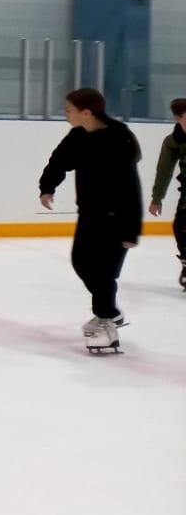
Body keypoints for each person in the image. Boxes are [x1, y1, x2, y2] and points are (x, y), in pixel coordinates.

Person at [37, 87, 142, 354]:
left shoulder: (118, 138)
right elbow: (59, 161)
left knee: (103, 272)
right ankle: (110, 311)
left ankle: (106, 322)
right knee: (81, 262)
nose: (66, 115)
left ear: (87, 112)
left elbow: (130, 186)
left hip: (116, 217)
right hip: (89, 214)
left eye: (69, 110)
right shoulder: (78, 136)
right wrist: (47, 186)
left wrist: (131, 229)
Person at [145, 97, 186, 292]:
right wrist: (157, 199)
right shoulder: (173, 141)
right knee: (181, 227)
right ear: (178, 118)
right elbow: (164, 170)